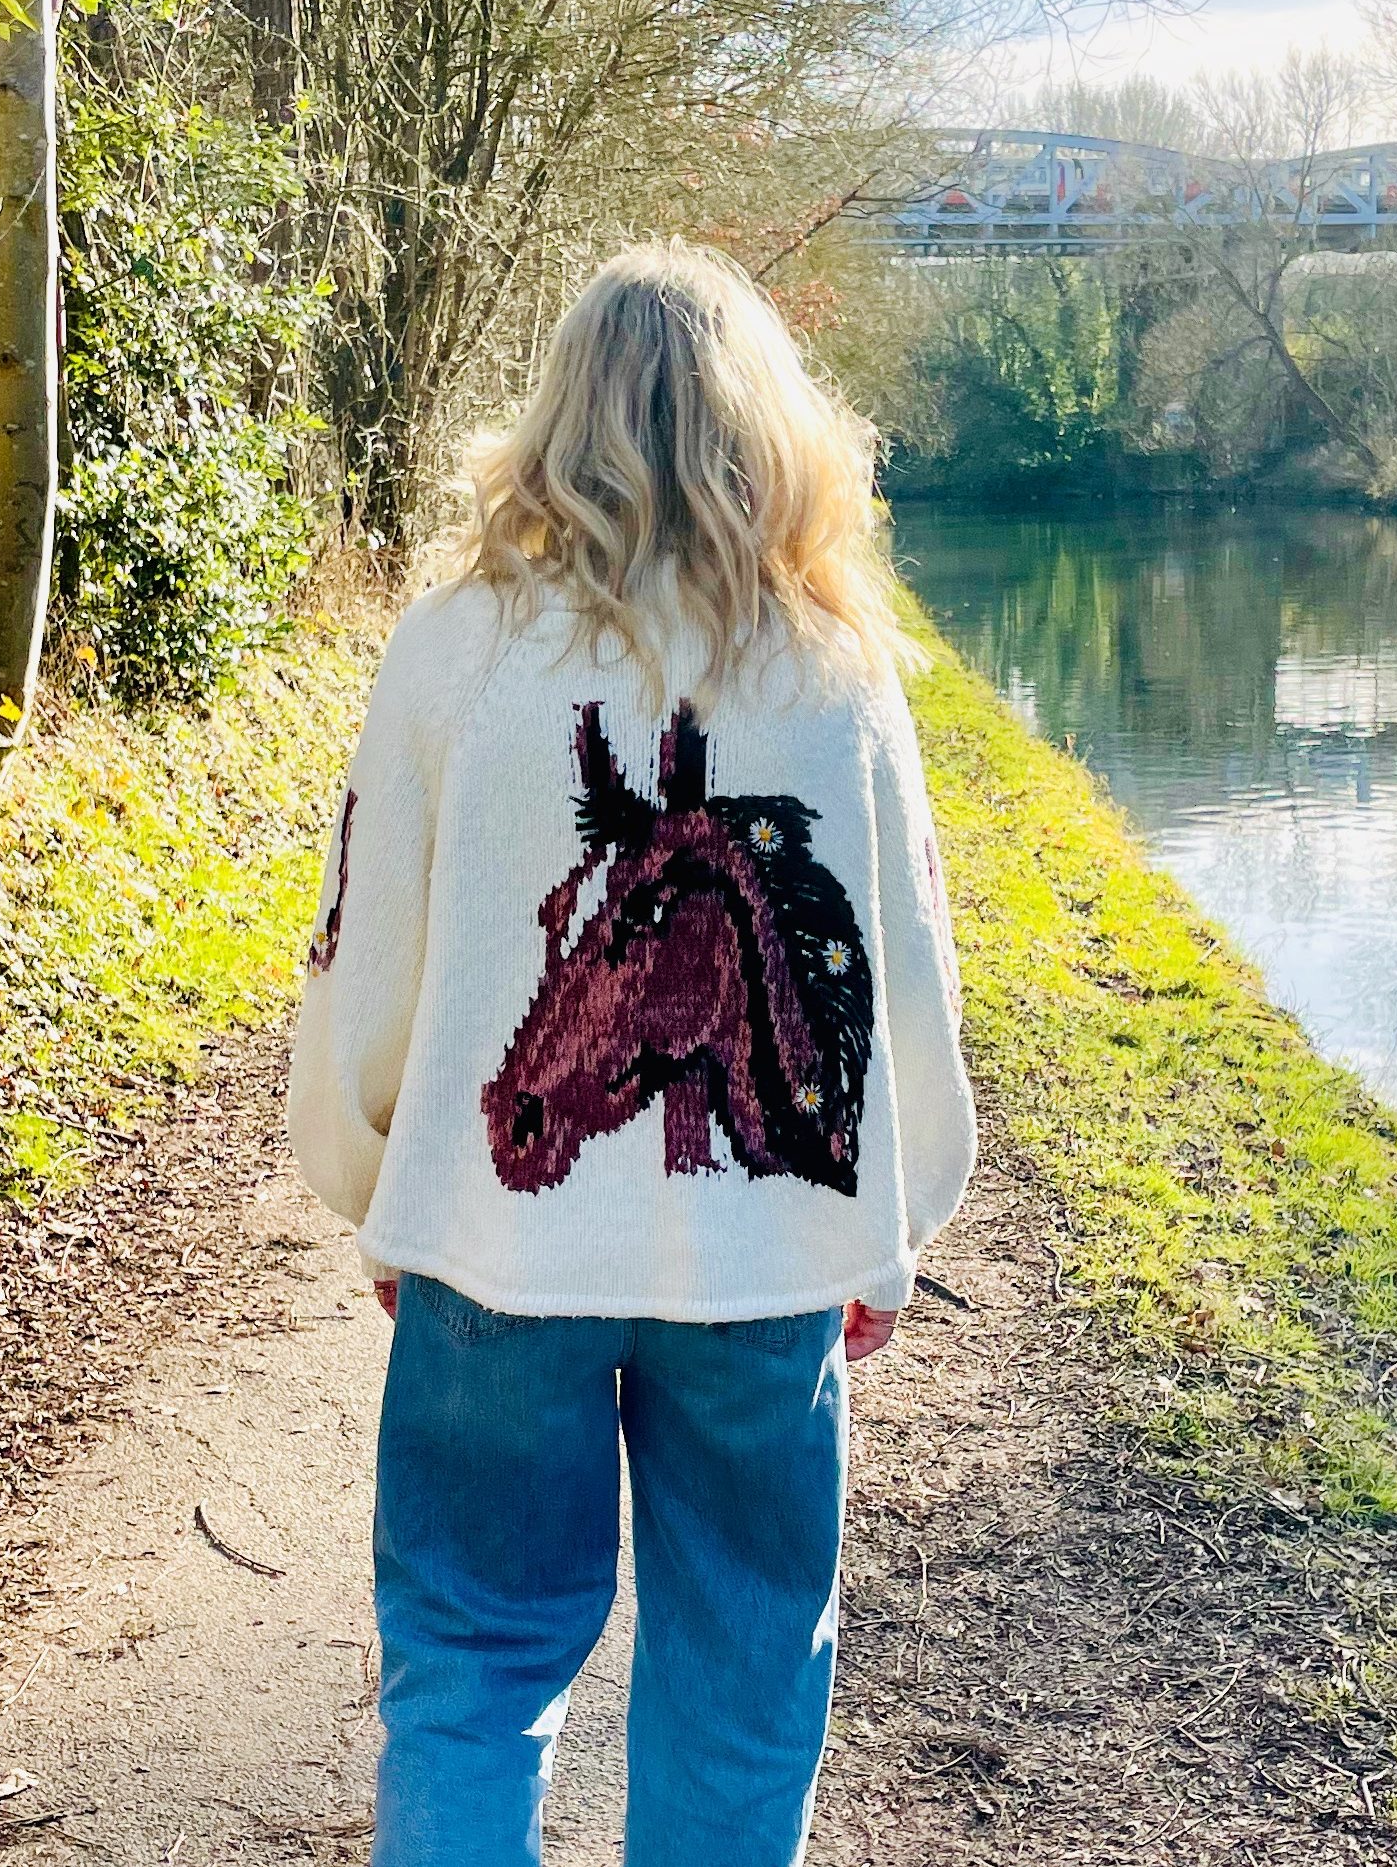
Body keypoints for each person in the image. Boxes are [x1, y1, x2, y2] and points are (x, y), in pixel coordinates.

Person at [287, 239, 976, 1867]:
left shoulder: (454, 649)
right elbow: (904, 977)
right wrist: (885, 1225)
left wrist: (390, 1188)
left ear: (560, 416)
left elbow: (364, 947)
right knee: (741, 1674)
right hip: (766, 1270)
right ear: (770, 429)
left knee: (469, 1666)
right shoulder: (836, 670)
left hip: (492, 1258)